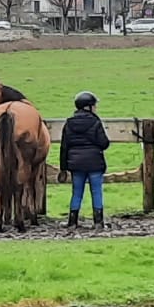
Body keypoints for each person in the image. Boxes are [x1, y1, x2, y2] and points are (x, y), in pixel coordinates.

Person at [60, 91, 111, 229]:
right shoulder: (95, 122)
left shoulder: (69, 123)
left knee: (76, 192)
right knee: (96, 191)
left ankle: (72, 221)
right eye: (94, 105)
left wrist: (63, 168)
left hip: (76, 164)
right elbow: (104, 143)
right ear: (88, 107)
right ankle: (98, 222)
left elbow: (64, 146)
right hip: (94, 163)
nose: (95, 108)